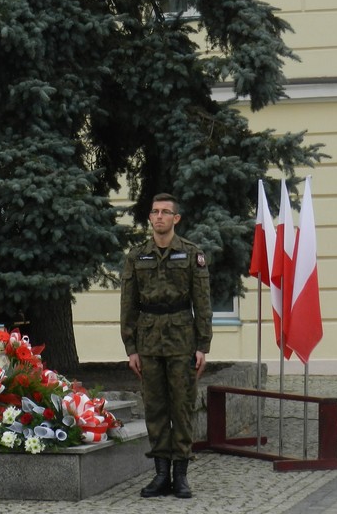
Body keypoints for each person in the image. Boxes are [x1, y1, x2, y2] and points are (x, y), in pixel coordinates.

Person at [120, 193, 212, 499]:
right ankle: (161, 475)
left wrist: (203, 346)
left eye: (165, 212)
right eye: (155, 211)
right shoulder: (137, 256)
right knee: (156, 408)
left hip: (182, 339)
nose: (159, 217)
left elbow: (203, 303)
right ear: (150, 218)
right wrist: (130, 348)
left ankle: (181, 475)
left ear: (176, 219)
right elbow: (128, 305)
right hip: (147, 341)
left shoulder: (191, 254)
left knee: (183, 406)